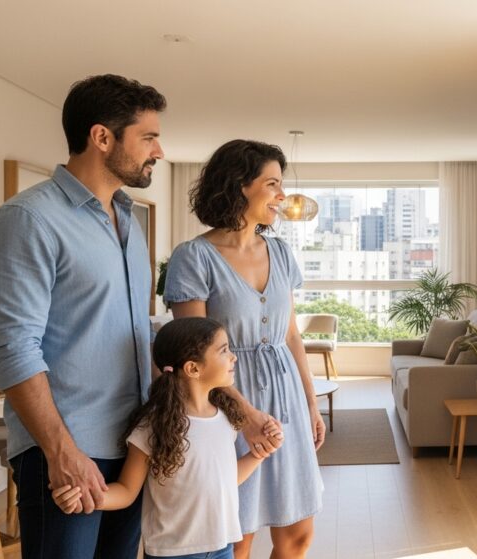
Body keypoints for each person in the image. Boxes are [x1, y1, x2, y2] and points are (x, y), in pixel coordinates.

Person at [0, 74, 166, 558]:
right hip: (66, 450)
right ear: (102, 137)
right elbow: (12, 348)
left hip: (131, 445)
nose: (159, 151)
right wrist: (62, 452)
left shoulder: (128, 222)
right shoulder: (28, 219)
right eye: (148, 137)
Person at [164, 139, 324, 558]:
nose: (282, 195)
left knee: (298, 533)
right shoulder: (194, 257)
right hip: (226, 405)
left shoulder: (281, 252)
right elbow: (193, 354)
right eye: (272, 184)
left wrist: (310, 403)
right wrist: (246, 415)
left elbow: (291, 336)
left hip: (286, 398)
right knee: (238, 536)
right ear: (240, 185)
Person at [51, 317, 283, 559]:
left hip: (222, 548)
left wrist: (259, 454)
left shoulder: (225, 418)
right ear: (193, 368)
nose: (233, 357)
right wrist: (85, 497)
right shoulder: (154, 426)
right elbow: (127, 491)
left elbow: (224, 480)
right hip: (174, 553)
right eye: (224, 350)